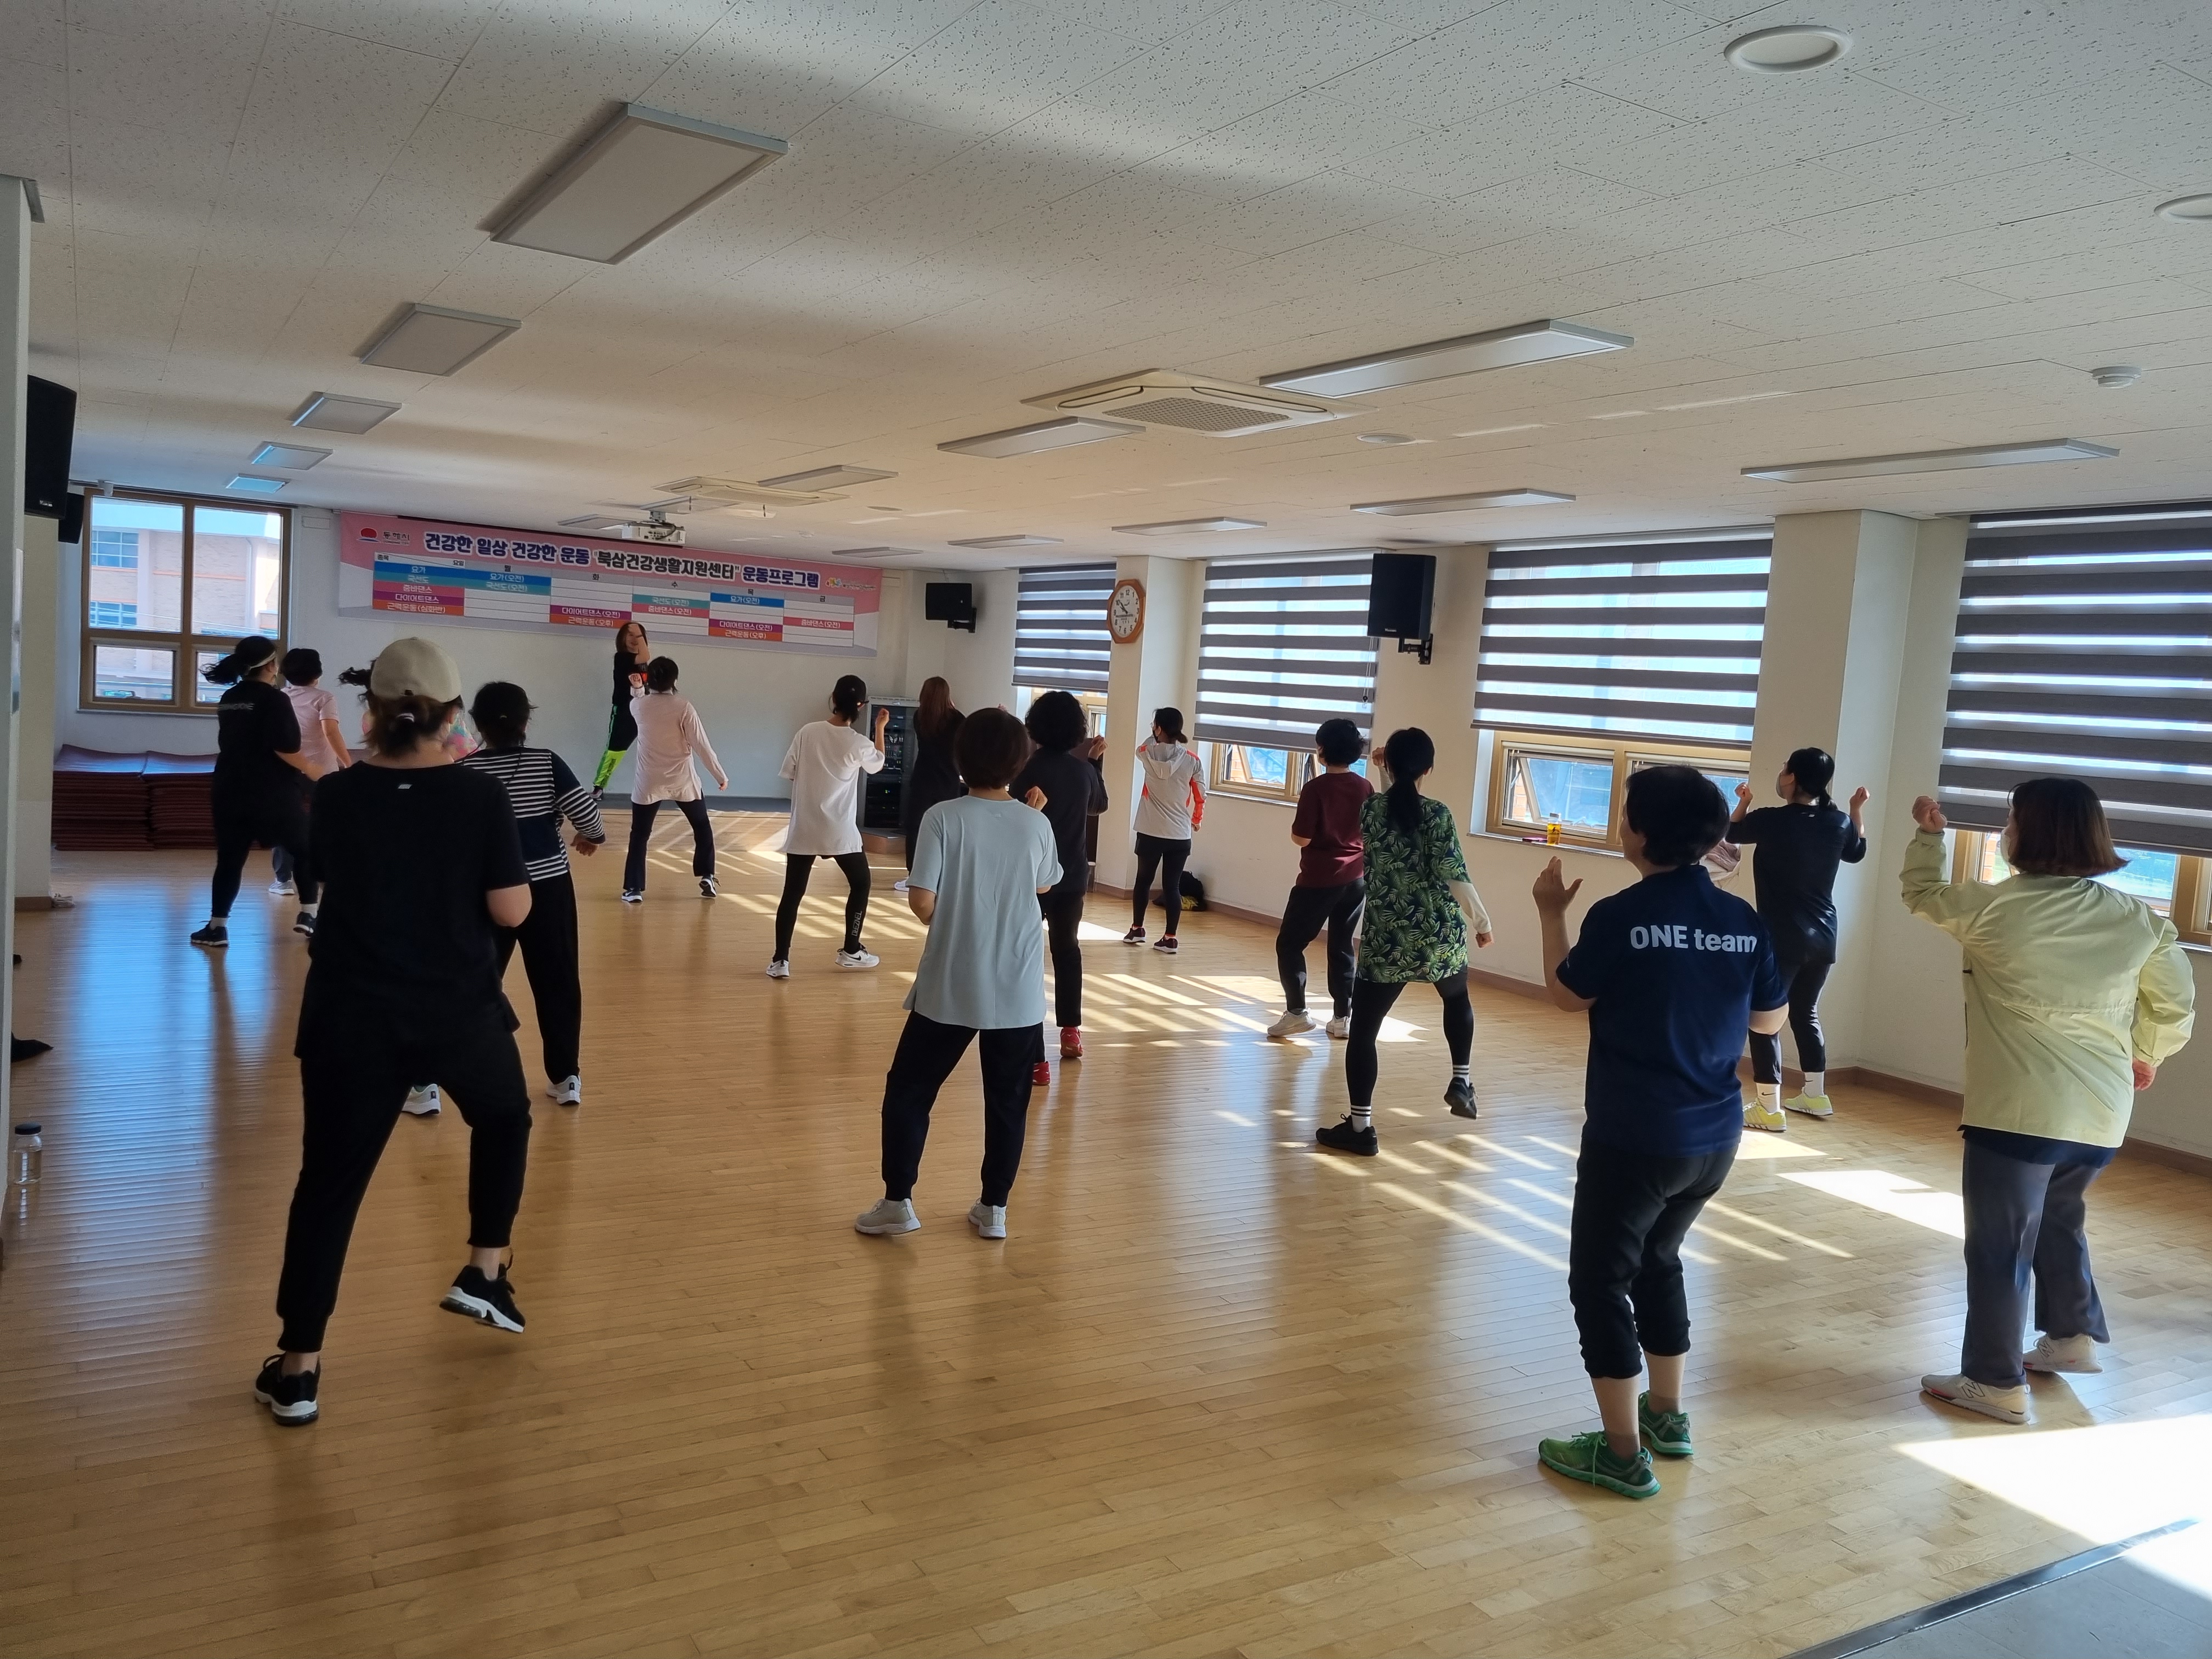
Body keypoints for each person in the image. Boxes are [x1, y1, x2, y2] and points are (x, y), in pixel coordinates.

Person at [253, 637, 535, 1427]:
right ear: (453, 716)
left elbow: (337, 880)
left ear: (371, 712)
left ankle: (299, 1370)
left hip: (351, 1016)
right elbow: (512, 910)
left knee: (328, 1187)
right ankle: (485, 1268)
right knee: (505, 1118)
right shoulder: (481, 796)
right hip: (458, 1011)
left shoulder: (338, 795)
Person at [1530, 765, 1788, 1498]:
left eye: (1624, 814)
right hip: (1715, 1139)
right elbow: (1770, 1021)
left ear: (1639, 834)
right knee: (1659, 1260)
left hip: (1634, 1137)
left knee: (1599, 1282)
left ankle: (1620, 1454)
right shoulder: (1743, 920)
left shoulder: (1621, 914)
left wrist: (1550, 912)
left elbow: (1567, 995)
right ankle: (1667, 1417)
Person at [1903, 781, 2194, 1425]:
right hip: (2102, 1114)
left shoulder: (1993, 908)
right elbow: (2175, 1007)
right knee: (2060, 1218)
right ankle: (2070, 1337)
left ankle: (1993, 1381)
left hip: (2017, 1112)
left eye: (2009, 820)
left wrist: (1929, 836)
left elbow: (1922, 895)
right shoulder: (2139, 919)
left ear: (2026, 833)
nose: (2004, 830)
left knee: (2000, 1246)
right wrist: (2146, 1053)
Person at [853, 709, 1060, 1243]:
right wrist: (1031, 818)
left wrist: (950, 920)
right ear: (1019, 762)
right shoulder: (1036, 822)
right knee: (1008, 1102)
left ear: (960, 757)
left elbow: (922, 900)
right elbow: (1042, 885)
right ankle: (994, 1210)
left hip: (951, 981)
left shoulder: (942, 817)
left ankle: (898, 1203)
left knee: (910, 1089)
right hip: (1017, 989)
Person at [1315, 729, 1491, 1154]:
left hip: (1388, 939)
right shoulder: (1438, 814)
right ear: (1430, 768)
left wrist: (1384, 768)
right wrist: (1482, 922)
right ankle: (1462, 1080)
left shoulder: (1371, 810)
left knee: (1364, 1032)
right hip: (1439, 934)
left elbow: (1391, 807)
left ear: (1390, 766)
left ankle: (1361, 1128)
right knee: (1457, 1000)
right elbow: (1455, 875)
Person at [460, 681, 606, 1108]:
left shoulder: (466, 772)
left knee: (473, 982)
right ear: (527, 722)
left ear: (478, 725)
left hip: (486, 892)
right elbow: (589, 818)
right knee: (557, 981)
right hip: (548, 889)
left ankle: (436, 1078)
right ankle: (565, 1078)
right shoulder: (547, 763)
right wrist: (591, 837)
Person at [1726, 746, 1869, 1131]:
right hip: (1824, 937)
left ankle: (1768, 1108)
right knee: (1805, 1012)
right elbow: (1857, 852)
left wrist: (1744, 802)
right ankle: (1815, 1095)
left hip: (1782, 938)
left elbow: (1732, 832)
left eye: (1784, 768)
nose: (1781, 773)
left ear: (1791, 778)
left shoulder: (1772, 820)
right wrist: (1856, 810)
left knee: (1764, 1019)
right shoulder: (1838, 822)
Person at [192, 636, 323, 948]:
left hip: (229, 789)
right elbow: (287, 748)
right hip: (271, 791)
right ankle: (309, 915)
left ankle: (217, 928)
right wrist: (315, 771)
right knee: (305, 849)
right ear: (271, 666)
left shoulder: (229, 697)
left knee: (230, 859)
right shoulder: (276, 700)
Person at [1011, 691, 1109, 1081]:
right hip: (1071, 877)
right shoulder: (1083, 772)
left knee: (1026, 958)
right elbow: (1098, 805)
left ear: (1034, 726)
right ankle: (1070, 1031)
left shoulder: (1026, 770)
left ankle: (1036, 1057)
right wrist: (1095, 764)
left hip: (1030, 878)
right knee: (1067, 950)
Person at [771, 674, 889, 976]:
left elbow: (791, 772)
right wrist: (880, 728)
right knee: (861, 884)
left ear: (833, 699)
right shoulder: (858, 743)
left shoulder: (807, 732)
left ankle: (780, 961)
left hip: (805, 828)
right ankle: (852, 949)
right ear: (861, 705)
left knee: (792, 893)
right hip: (840, 831)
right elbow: (878, 764)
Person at [1268, 718, 1373, 1041]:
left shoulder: (1315, 788)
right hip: (1356, 878)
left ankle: (1297, 1012)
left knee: (1290, 944)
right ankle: (1343, 1018)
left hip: (1318, 879)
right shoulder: (1365, 787)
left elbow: (1302, 838)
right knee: (1342, 945)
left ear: (1323, 750)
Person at [620, 656, 727, 903]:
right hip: (683, 780)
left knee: (640, 834)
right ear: (675, 681)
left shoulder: (639, 706)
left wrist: (637, 688)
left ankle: (633, 889)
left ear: (649, 679)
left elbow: (638, 701)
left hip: (649, 781)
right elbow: (701, 745)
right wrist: (720, 775)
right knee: (702, 826)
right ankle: (708, 875)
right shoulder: (683, 706)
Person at [269, 647, 349, 897]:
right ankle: (325, 875)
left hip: (288, 769)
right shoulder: (324, 698)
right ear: (318, 673)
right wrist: (347, 761)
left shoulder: (280, 697)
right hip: (323, 771)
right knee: (325, 822)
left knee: (286, 822)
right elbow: (330, 731)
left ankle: (283, 881)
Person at [1124, 707, 1204, 954]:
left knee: (1143, 881)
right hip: (1180, 834)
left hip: (1149, 830)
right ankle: (1170, 939)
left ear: (1158, 728)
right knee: (1172, 886)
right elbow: (1201, 795)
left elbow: (1144, 745)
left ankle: (1137, 929)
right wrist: (1197, 819)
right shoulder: (1193, 760)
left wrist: (1155, 734)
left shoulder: (1146, 752)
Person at [898, 676, 965, 893]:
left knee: (916, 828)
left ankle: (914, 876)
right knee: (946, 830)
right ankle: (944, 876)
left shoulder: (920, 718)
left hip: (923, 779)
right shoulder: (957, 719)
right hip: (948, 781)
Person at [592, 620, 649, 792]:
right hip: (625, 712)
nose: (634, 639)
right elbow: (645, 655)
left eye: (638, 635)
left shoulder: (644, 664)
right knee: (615, 750)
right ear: (622, 638)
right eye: (630, 635)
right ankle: (599, 787)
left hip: (645, 712)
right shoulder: (622, 658)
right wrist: (639, 634)